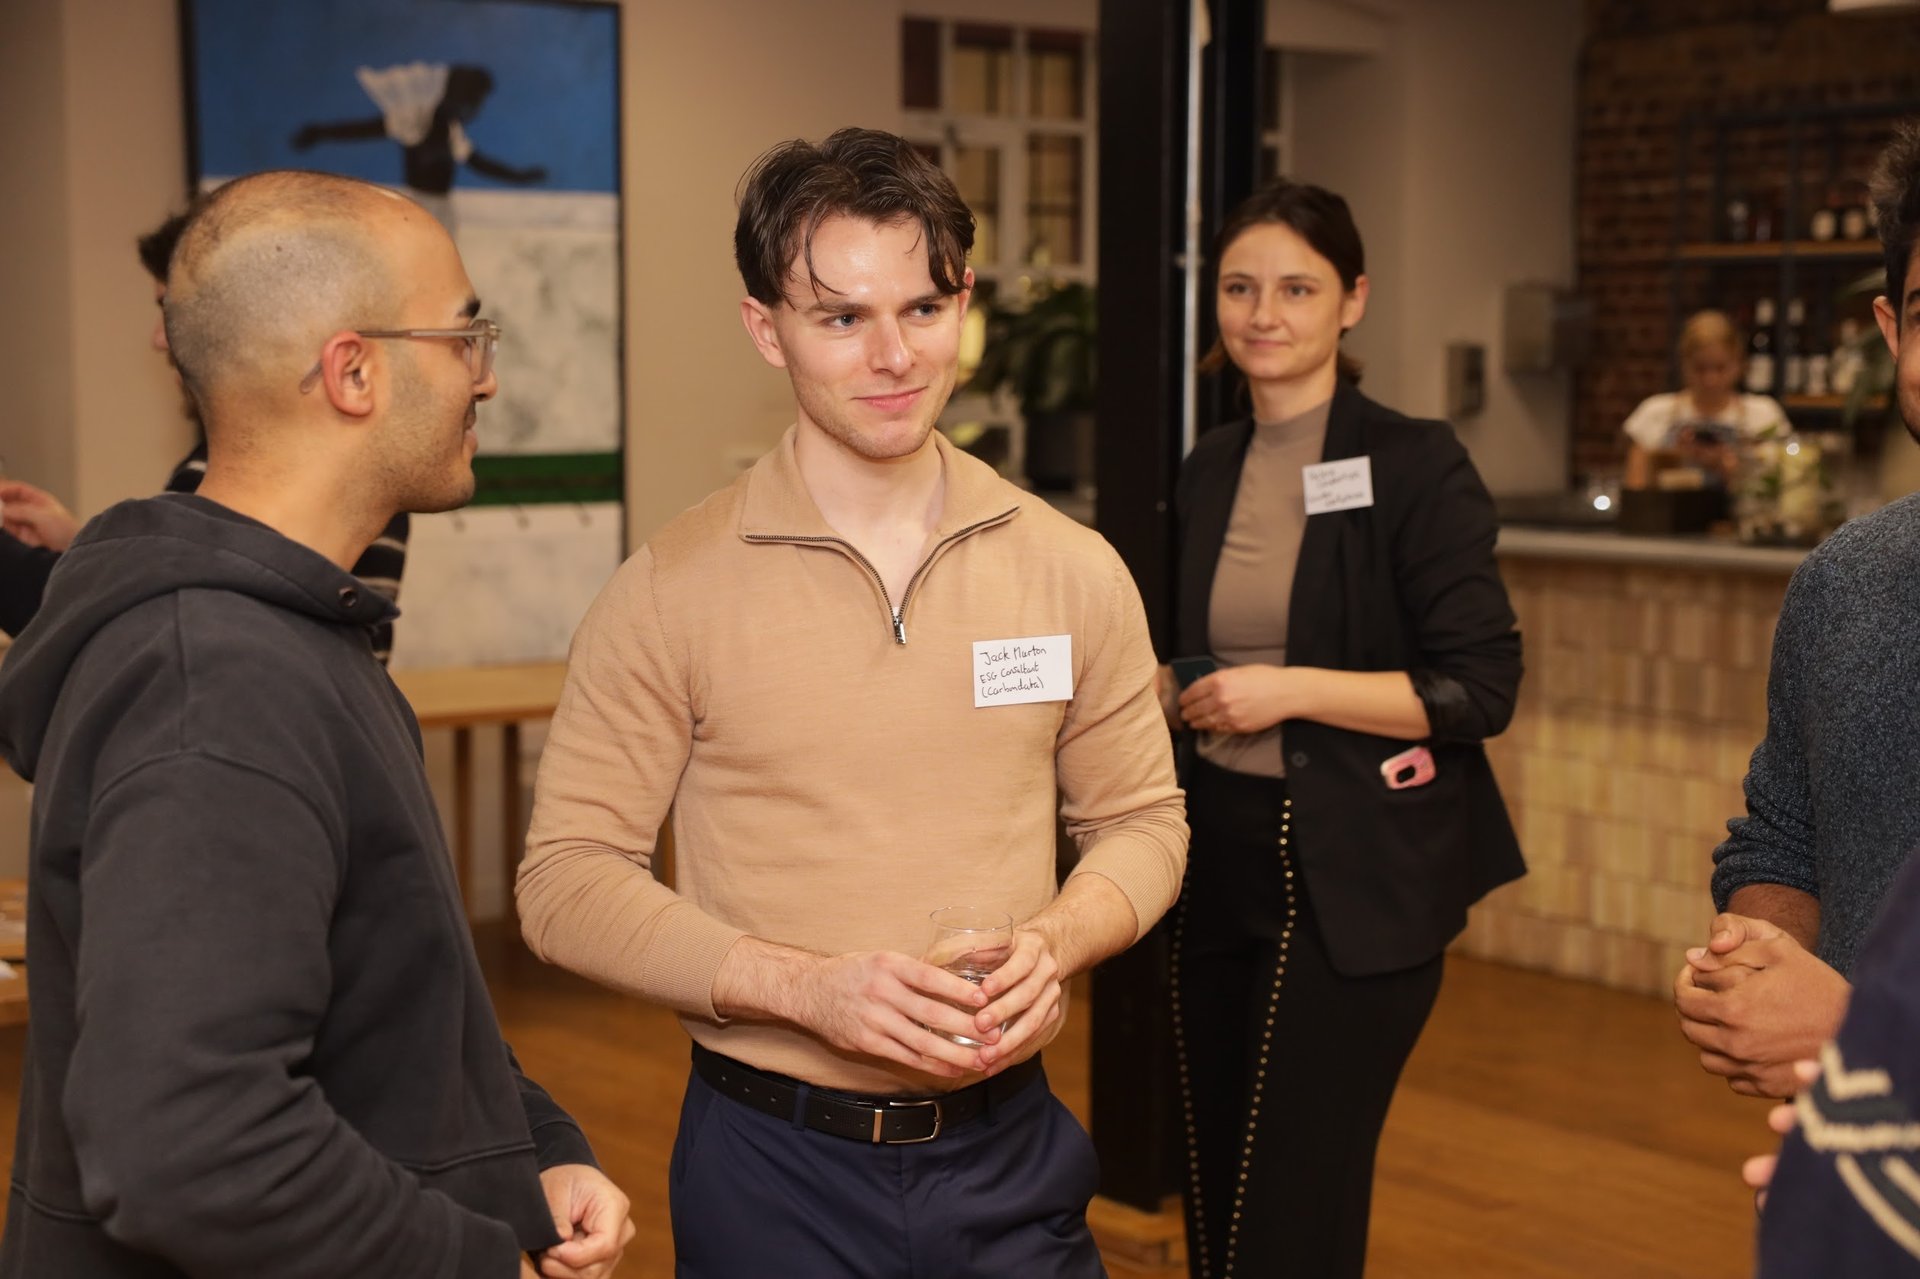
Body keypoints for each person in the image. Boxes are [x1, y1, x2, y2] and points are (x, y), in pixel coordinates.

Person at [515, 127, 1187, 1277]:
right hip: (775, 1167)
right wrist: (805, 988)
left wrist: (1058, 942)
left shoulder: (1072, 567)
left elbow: (1144, 822)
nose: (894, 356)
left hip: (1014, 1153)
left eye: (924, 309)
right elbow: (565, 881)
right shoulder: (671, 586)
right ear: (764, 328)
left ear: (964, 302)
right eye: (841, 318)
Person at [0, 169, 632, 1278]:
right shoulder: (220, 686)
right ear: (354, 371)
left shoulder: (303, 637)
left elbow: (387, 994)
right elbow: (186, 1146)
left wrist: (537, 1147)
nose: (484, 378)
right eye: (464, 336)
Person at [1164, 179, 1525, 1279]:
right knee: (1215, 1183)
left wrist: (1290, 690)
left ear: (1353, 300)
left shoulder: (1414, 463)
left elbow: (1479, 689)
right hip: (1209, 854)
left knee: (1294, 1204)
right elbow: (1193, 650)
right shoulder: (1209, 466)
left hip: (1355, 875)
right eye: (1238, 286)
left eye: (1296, 286)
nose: (1262, 312)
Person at [1672, 122, 1920, 1106]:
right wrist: (1757, 958)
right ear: (1892, 331)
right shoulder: (1841, 580)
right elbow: (1783, 839)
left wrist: (1861, 1033)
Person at [0, 207, 410, 657]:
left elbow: (134, 631)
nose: (159, 338)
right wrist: (80, 547)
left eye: (169, 310)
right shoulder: (322, 449)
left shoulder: (256, 462)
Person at [1621, 309, 1790, 490]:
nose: (1710, 379)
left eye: (1720, 368)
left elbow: (1776, 490)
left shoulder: (1763, 414)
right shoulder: (1654, 412)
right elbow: (1635, 490)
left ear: (1740, 364)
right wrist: (1674, 458)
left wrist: (1724, 465)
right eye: (1700, 368)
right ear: (1684, 364)